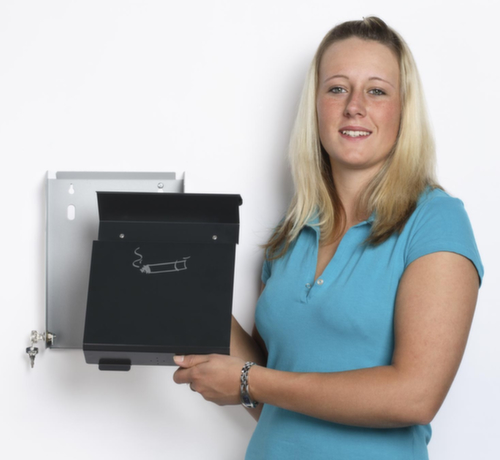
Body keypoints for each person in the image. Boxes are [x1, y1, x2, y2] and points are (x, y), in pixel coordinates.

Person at [173, 16, 483, 459]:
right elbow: (274, 393)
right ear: (315, 106)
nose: (355, 106)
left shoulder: (435, 221)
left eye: (377, 91)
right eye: (337, 88)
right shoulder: (292, 231)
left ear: (403, 109)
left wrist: (247, 381)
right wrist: (192, 294)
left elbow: (415, 395)